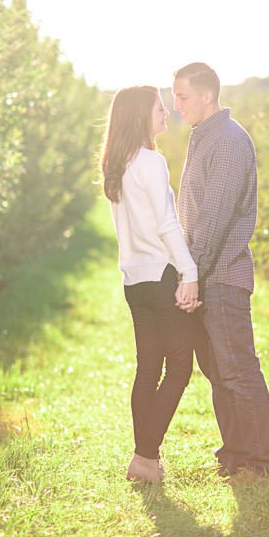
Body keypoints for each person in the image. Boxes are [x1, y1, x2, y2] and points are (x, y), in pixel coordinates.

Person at [172, 62, 269, 480]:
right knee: (220, 374)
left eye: (182, 96)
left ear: (207, 94)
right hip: (207, 276)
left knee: (239, 371)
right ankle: (238, 456)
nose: (176, 104)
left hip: (221, 277)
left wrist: (192, 275)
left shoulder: (229, 141)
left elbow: (214, 218)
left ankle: (267, 465)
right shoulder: (204, 137)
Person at [100, 85, 200, 483]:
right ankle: (144, 457)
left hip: (133, 282)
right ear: (142, 114)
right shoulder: (150, 162)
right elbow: (166, 224)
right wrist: (189, 272)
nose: (166, 113)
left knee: (147, 369)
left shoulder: (116, 163)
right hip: (160, 277)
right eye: (160, 108)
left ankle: (146, 460)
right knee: (179, 367)